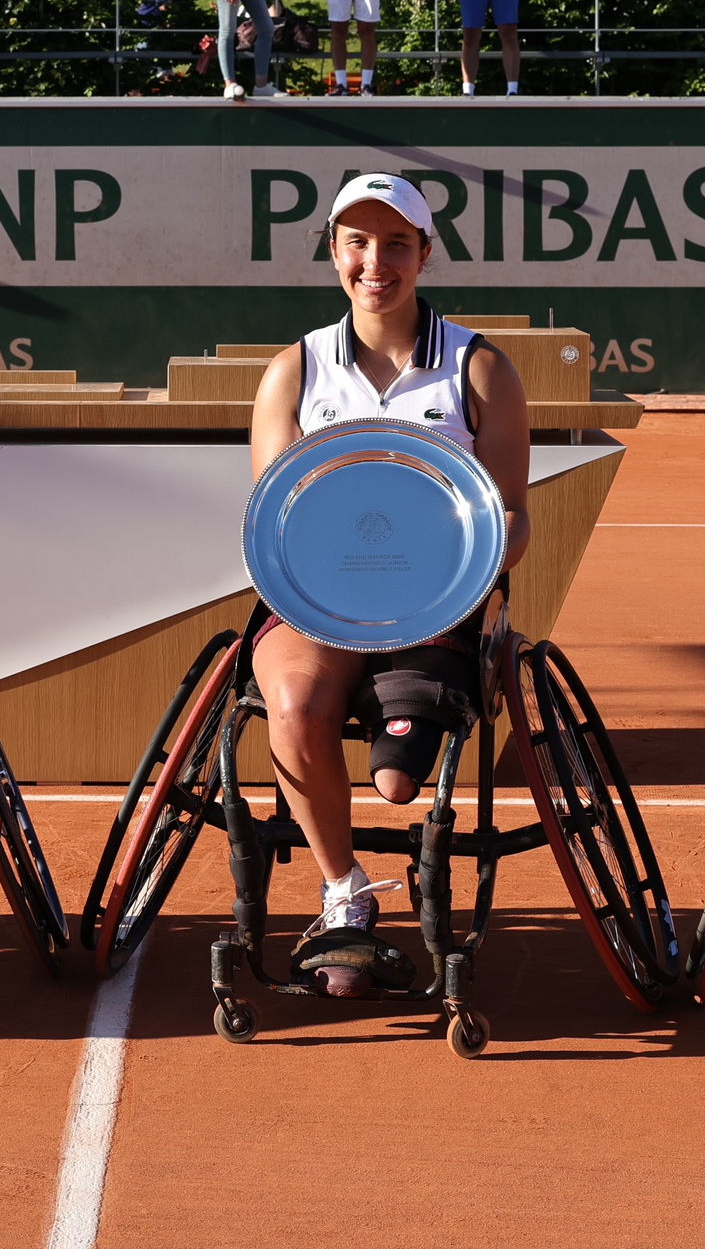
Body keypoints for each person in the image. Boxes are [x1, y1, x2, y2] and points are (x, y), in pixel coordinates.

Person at [246, 172, 533, 995]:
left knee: (397, 781)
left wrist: (462, 570)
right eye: (359, 242)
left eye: (397, 243)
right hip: (317, 602)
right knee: (296, 708)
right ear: (334, 250)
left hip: (436, 603)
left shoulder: (480, 370)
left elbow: (514, 517)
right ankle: (346, 896)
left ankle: (395, 777)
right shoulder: (294, 371)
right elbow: (276, 516)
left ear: (425, 253)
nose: (377, 262)